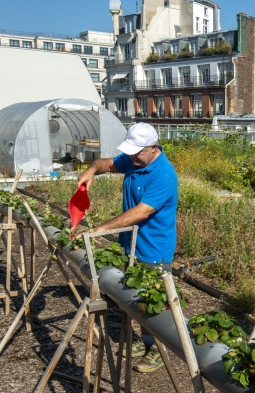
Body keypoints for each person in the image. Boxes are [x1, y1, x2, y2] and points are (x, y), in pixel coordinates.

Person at [77, 122, 178, 373]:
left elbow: (141, 212)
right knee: (135, 297)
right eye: (130, 151)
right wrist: (90, 172)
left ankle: (159, 347)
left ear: (153, 147)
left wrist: (101, 229)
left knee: (153, 303)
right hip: (131, 244)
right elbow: (105, 163)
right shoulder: (135, 161)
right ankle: (145, 340)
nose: (131, 156)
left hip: (154, 248)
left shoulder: (163, 175)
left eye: (137, 152)